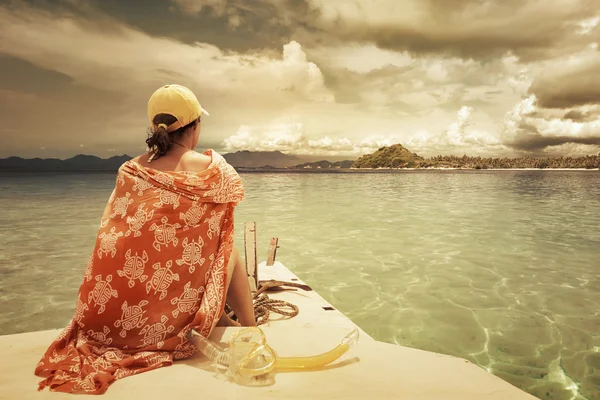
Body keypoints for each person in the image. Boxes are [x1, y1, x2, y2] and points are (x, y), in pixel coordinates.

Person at [34, 84, 256, 395]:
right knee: (225, 241)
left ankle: (224, 319)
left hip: (112, 315)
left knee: (176, 247)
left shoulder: (129, 170)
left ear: (155, 127)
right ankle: (251, 327)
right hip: (166, 322)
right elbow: (234, 191)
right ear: (195, 126)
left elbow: (123, 233)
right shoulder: (211, 171)